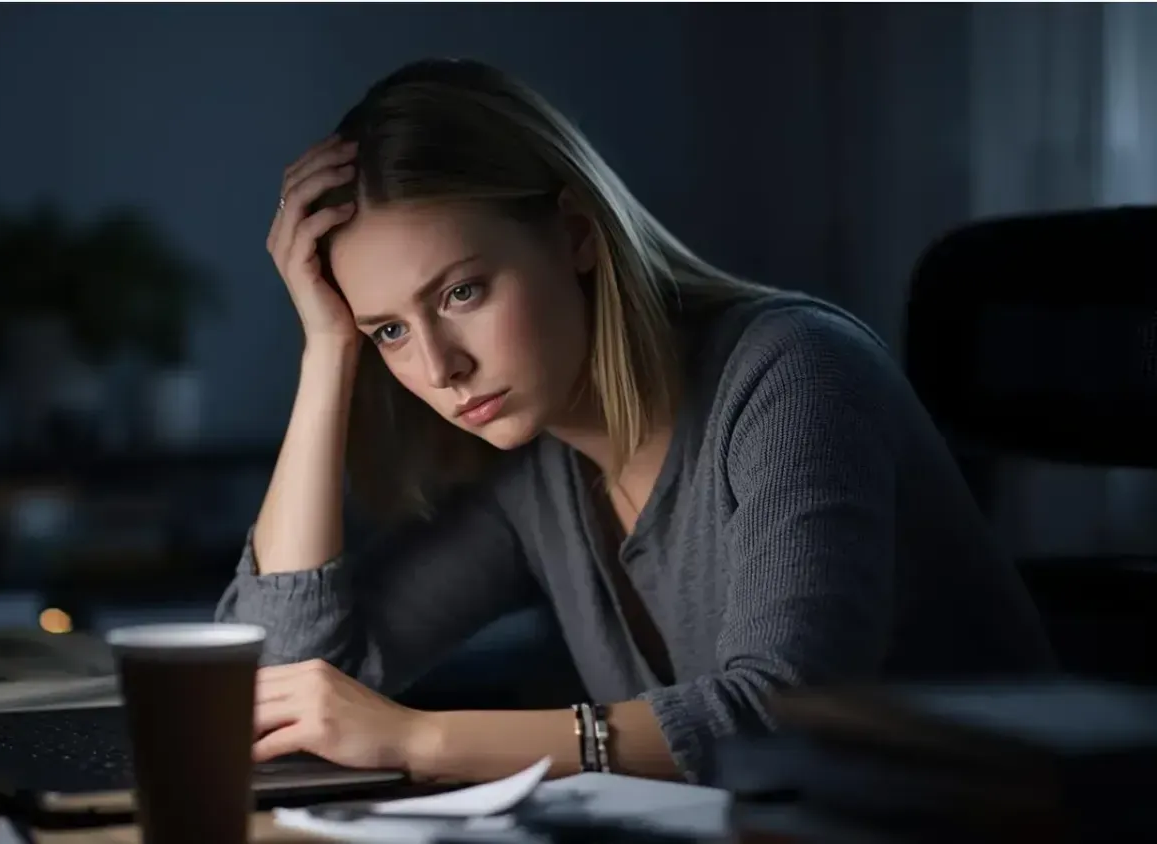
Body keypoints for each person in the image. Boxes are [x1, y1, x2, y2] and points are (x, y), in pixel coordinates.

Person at [216, 57, 1056, 786]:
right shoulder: (534, 466)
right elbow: (280, 686)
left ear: (577, 234)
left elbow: (789, 710)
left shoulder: (796, 371)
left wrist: (422, 738)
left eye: (461, 292)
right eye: (390, 330)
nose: (439, 368)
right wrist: (326, 353)